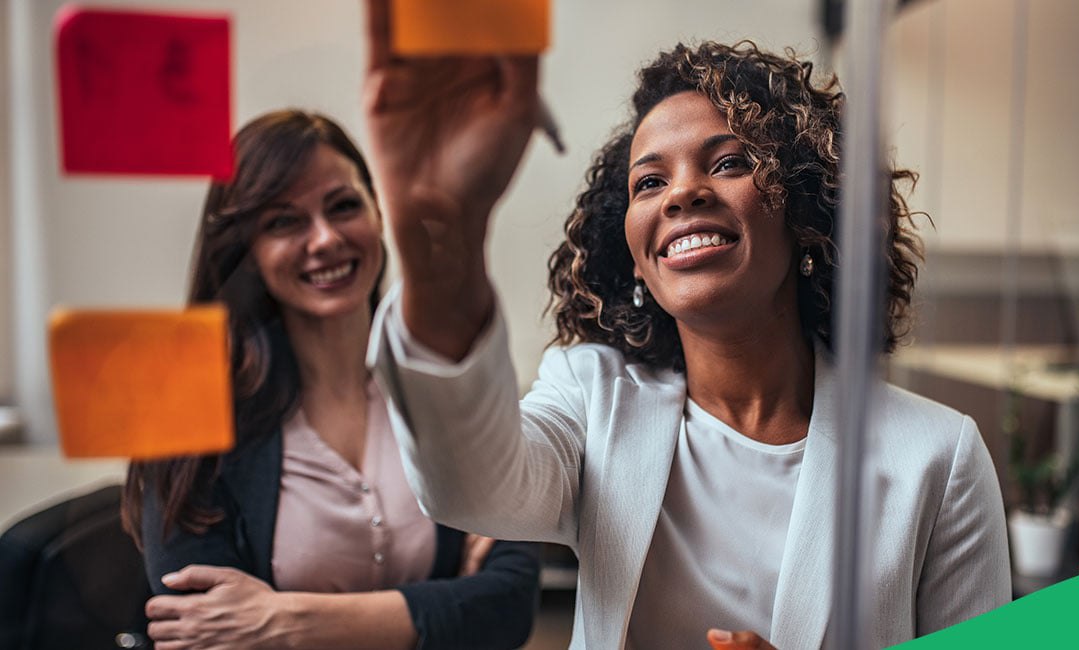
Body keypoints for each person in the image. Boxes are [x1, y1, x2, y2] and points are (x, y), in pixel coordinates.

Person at [361, 3, 1011, 647]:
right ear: (637, 262)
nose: (681, 193)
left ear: (806, 212)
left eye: (727, 163)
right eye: (649, 182)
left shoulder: (938, 457)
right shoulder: (592, 397)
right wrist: (443, 232)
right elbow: (468, 489)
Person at [121, 110, 540, 650]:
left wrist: (282, 621)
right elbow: (203, 633)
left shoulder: (443, 384)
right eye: (283, 222)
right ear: (245, 251)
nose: (324, 240)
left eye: (343, 207)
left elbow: (507, 605)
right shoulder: (183, 414)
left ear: (377, 213)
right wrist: (439, 606)